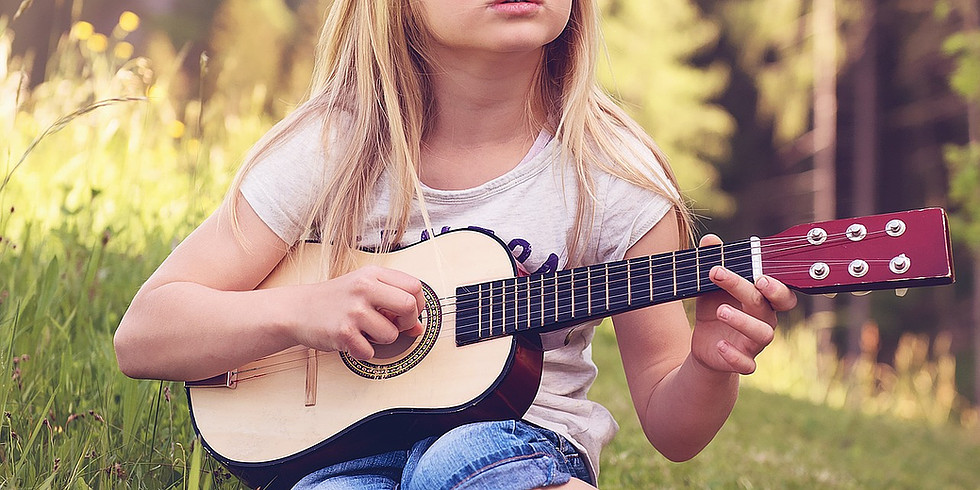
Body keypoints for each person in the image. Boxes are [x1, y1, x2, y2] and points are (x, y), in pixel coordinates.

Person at [114, 0, 798, 488]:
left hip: (518, 447)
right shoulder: (332, 146)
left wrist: (711, 365)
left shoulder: (616, 179)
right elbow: (145, 335)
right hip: (330, 450)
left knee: (461, 458)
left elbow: (675, 435)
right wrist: (303, 311)